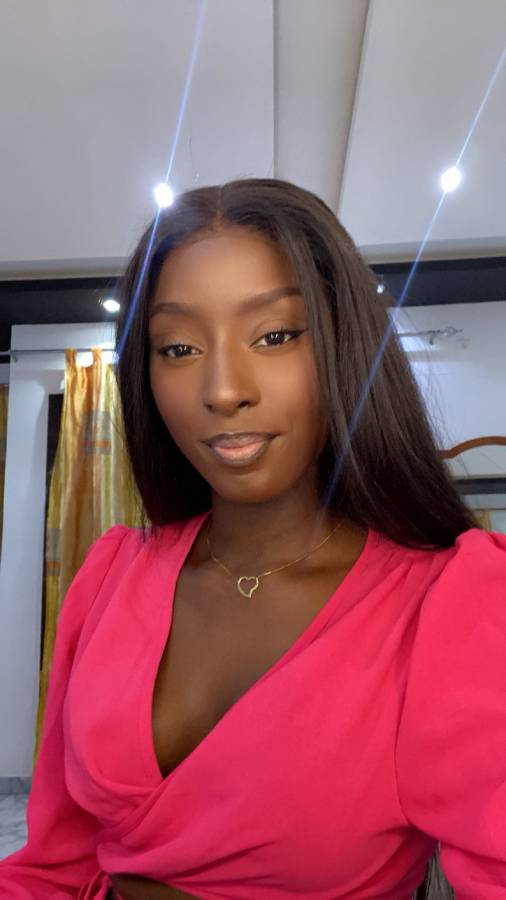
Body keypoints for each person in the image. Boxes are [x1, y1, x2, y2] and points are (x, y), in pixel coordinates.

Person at [1, 178, 505, 900]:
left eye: (275, 336)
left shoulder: (452, 605)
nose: (222, 389)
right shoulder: (112, 574)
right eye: (178, 347)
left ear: (344, 344)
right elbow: (52, 863)